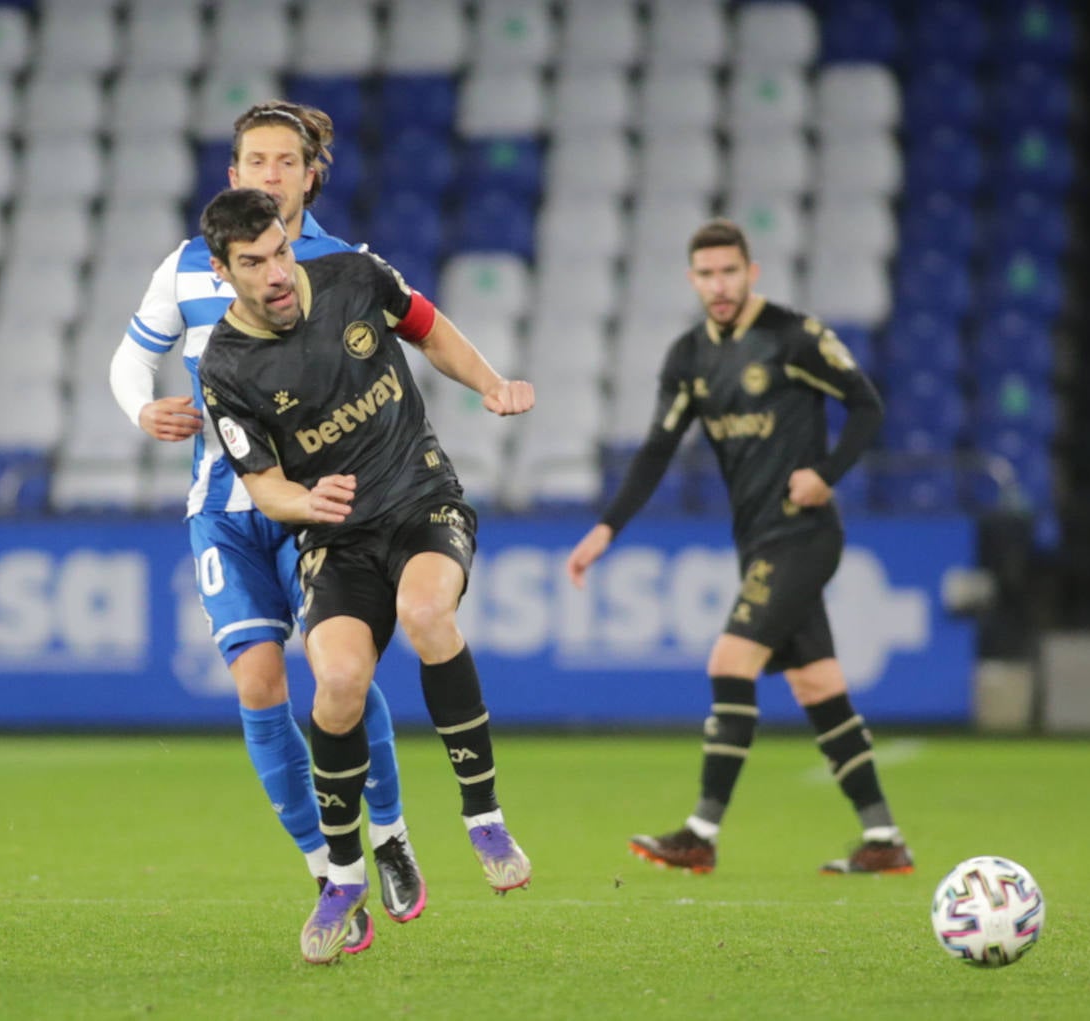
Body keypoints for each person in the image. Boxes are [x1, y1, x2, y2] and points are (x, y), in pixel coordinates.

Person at [109, 102, 424, 952]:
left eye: (286, 161)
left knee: (339, 676)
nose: (270, 175)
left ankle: (389, 831)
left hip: (316, 509)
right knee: (257, 685)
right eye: (256, 160)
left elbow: (406, 347)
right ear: (233, 175)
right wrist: (143, 408)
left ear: (311, 173)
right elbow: (131, 355)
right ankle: (329, 869)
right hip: (224, 508)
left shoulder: (339, 265)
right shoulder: (186, 267)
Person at [197, 187, 534, 964]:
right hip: (335, 537)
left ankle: (482, 814)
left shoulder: (353, 275)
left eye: (280, 250)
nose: (277, 272)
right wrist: (304, 499)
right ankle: (343, 876)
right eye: (253, 263)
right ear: (223, 271)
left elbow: (428, 328)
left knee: (426, 614)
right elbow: (261, 484)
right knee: (339, 681)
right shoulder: (226, 365)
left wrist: (487, 382)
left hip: (421, 500)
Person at [565, 218, 913, 877]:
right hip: (756, 541)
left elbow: (866, 406)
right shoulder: (689, 358)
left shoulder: (793, 335)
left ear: (751, 272)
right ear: (691, 279)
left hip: (803, 534)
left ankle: (700, 831)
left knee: (730, 661)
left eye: (730, 272)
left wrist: (826, 474)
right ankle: (884, 838)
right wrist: (604, 530)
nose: (719, 285)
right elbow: (656, 453)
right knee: (819, 686)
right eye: (706, 274)